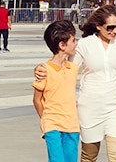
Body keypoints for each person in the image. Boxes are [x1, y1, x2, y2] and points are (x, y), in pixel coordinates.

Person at [38, 4, 116, 162]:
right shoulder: (84, 44)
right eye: (110, 27)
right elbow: (66, 67)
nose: (115, 31)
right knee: (88, 157)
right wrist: (42, 68)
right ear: (98, 26)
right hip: (90, 107)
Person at [34, 20, 80, 162]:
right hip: (52, 124)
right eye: (73, 40)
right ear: (62, 45)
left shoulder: (73, 68)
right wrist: (46, 119)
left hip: (72, 124)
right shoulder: (44, 70)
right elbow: (36, 99)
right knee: (57, 159)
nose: (76, 43)